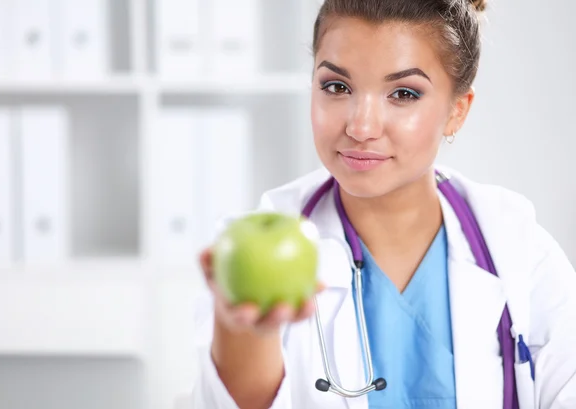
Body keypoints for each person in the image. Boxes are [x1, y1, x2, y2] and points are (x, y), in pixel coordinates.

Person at [193, 0, 576, 408]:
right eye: (337, 87)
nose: (361, 126)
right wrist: (244, 333)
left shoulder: (522, 256)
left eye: (403, 94)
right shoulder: (253, 256)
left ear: (457, 111)